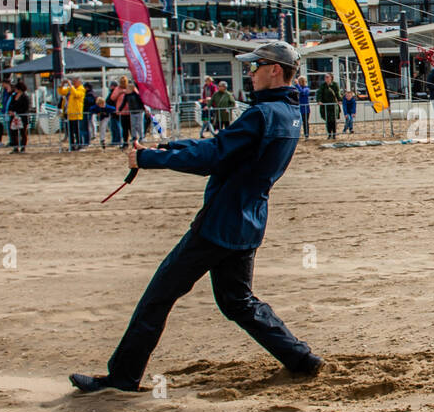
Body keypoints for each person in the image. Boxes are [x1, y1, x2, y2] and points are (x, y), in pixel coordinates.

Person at [69, 41, 322, 393]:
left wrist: (151, 159)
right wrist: (168, 147)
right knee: (239, 302)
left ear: (274, 69)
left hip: (219, 224)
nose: (249, 74)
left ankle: (123, 378)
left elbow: (213, 156)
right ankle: (300, 358)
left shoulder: (262, 115)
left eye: (254, 67)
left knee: (158, 296)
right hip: (249, 221)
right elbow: (223, 148)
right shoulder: (289, 113)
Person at [59, 76, 86, 150]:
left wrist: (70, 85)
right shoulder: (70, 89)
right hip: (69, 114)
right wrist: (62, 85)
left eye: (75, 81)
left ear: (79, 82)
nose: (73, 83)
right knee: (70, 132)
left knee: (77, 131)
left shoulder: (81, 89)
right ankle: (72, 145)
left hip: (76, 114)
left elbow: (76, 94)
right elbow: (61, 92)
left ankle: (80, 145)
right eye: (73, 81)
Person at [8, 80, 31, 153]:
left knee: (23, 133)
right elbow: (10, 104)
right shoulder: (14, 96)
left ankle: (23, 147)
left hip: (22, 117)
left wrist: (16, 112)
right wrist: (10, 111)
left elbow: (26, 107)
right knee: (13, 132)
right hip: (14, 117)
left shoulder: (25, 97)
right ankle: (15, 147)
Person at [317, 73, 340, 139]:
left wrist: (339, 100)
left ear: (331, 78)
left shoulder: (335, 85)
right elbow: (319, 93)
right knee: (328, 121)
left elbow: (337, 93)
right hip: (325, 106)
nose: (326, 78)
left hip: (333, 105)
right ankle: (329, 134)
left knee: (333, 121)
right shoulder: (323, 85)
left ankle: (334, 134)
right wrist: (319, 100)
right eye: (325, 77)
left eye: (327, 77)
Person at [0, 80, 14, 146]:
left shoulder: (11, 92)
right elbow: (2, 101)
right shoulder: (4, 91)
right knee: (7, 127)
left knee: (11, 127)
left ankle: (12, 140)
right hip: (4, 111)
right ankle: (11, 140)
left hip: (9, 111)